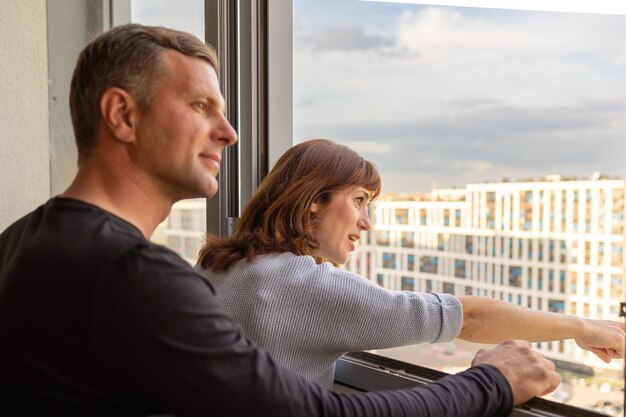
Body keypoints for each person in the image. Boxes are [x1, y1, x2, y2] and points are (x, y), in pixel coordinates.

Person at [0, 23, 560, 417]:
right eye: (200, 106)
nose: (228, 132)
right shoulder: (132, 274)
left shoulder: (22, 241)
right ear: (122, 114)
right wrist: (493, 381)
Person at [197, 139, 625, 389]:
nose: (366, 222)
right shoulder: (301, 285)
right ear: (313, 203)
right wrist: (582, 328)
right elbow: (468, 318)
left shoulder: (223, 267)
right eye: (359, 201)